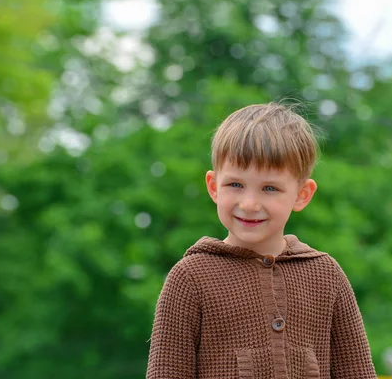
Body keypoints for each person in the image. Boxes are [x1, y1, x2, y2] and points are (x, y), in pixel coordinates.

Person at [146, 102, 377, 379]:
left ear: (302, 194)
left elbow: (358, 371)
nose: (250, 204)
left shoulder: (327, 276)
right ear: (213, 186)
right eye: (235, 184)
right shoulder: (190, 278)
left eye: (270, 188)